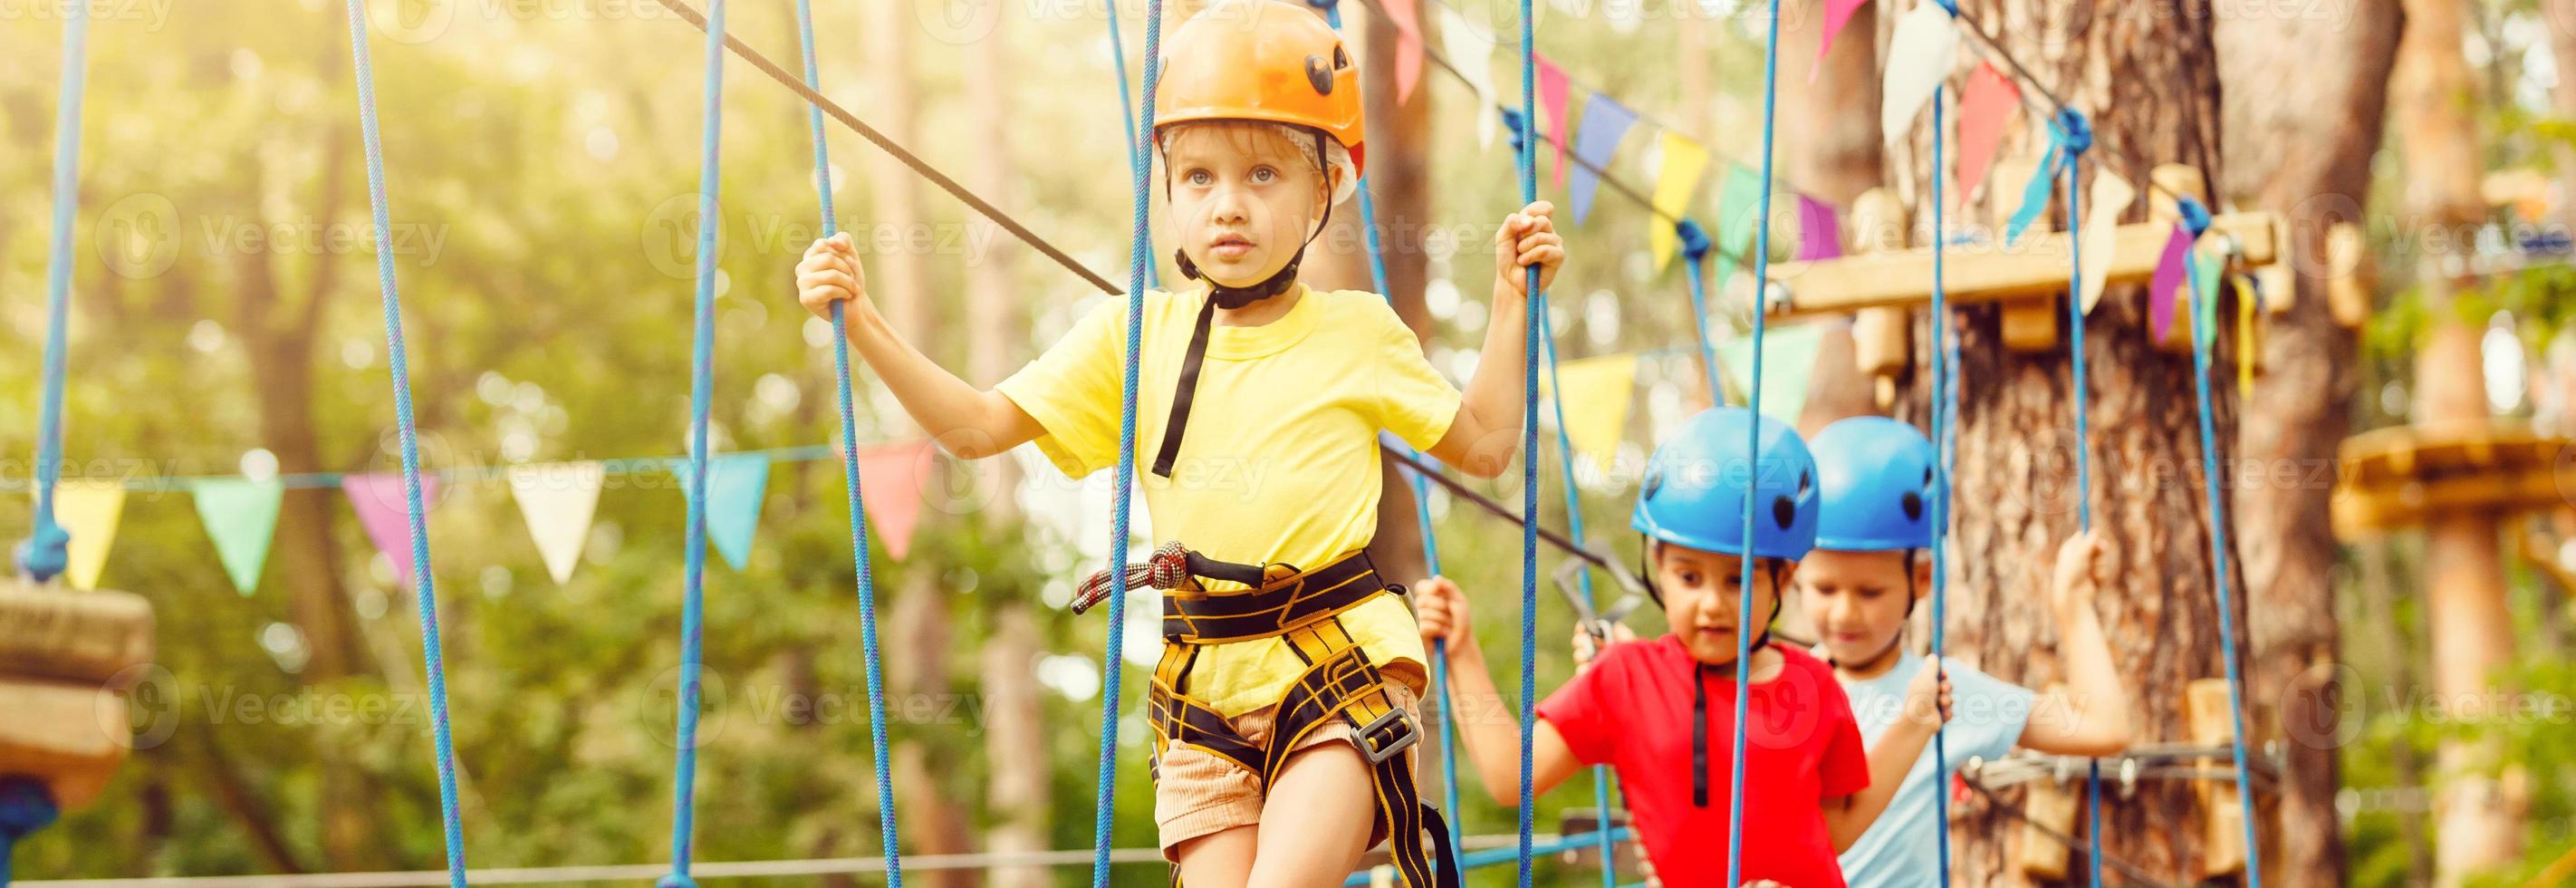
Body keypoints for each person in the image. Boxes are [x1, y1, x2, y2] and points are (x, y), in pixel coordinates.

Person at [792, 1, 1563, 883]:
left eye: (1264, 174)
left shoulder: (1359, 332)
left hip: (1342, 670)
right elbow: (976, 427)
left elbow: (1490, 443)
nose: (1227, 205)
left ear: (1325, 190)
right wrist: (865, 324)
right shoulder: (1132, 337)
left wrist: (1510, 301)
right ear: (1166, 190)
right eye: (1197, 177)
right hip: (1202, 695)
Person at [1411, 407, 1952, 888]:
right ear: (1659, 571)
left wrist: (1915, 720)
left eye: (1738, 581)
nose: (1712, 604)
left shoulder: (1814, 685)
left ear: (1783, 580)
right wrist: (1462, 652)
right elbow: (1512, 776)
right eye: (1690, 578)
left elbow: (1836, 830)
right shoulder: (1625, 678)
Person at [1797, 416, 2134, 886]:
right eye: (1825, 588)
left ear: (1920, 579)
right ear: (1794, 573)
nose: (1844, 613)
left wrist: (2072, 609)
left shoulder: (1945, 694)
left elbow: (2103, 727)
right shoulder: (1782, 686)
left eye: (1870, 592)